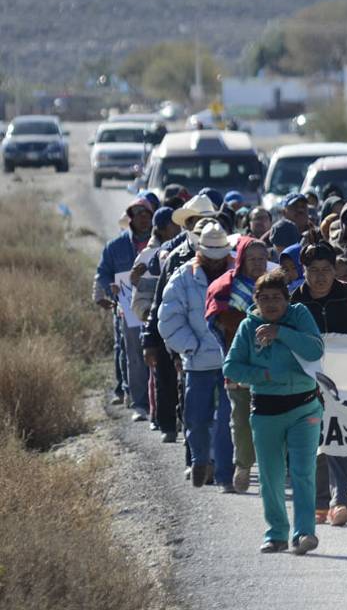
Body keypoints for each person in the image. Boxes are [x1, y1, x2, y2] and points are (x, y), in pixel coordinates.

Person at [223, 269, 324, 555]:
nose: (270, 304)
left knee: (303, 472)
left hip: (305, 407)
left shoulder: (299, 315)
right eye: (263, 298)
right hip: (267, 411)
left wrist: (281, 333)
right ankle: (276, 534)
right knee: (271, 475)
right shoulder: (248, 326)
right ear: (255, 300)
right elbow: (231, 367)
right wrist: (264, 375)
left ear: (286, 299)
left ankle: (304, 533)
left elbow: (315, 350)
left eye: (276, 298)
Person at [292, 242, 347, 523]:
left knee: (338, 436)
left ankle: (339, 500)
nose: (320, 277)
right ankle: (319, 504)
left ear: (335, 270)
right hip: (307, 382)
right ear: (303, 271)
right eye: (313, 270)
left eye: (326, 270)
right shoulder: (295, 301)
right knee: (315, 440)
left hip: (346, 381)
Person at [160, 224, 235, 490]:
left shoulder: (238, 274)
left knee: (229, 420)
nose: (216, 260)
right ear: (200, 252)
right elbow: (167, 320)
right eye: (211, 254)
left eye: (220, 254)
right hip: (198, 361)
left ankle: (226, 475)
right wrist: (190, 347)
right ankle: (200, 459)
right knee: (195, 418)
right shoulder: (182, 278)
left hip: (232, 361)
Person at [142, 195, 220, 444]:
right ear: (187, 224)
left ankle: (214, 457)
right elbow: (160, 305)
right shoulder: (174, 257)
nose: (202, 225)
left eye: (206, 220)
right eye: (196, 220)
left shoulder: (227, 254)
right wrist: (149, 340)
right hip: (184, 342)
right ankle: (194, 454)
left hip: (220, 345)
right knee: (188, 396)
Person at [206, 235, 270, 493]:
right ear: (241, 260)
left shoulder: (275, 287)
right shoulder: (226, 288)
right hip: (241, 364)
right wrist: (236, 323)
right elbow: (215, 320)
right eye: (252, 259)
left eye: (262, 258)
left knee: (272, 421)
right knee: (242, 420)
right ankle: (242, 465)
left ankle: (270, 471)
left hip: (273, 367)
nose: (257, 263)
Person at [94, 196, 156, 420]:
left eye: (146, 214)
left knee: (159, 354)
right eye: (137, 214)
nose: (142, 219)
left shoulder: (161, 244)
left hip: (156, 307)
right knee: (134, 355)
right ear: (130, 218)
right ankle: (140, 404)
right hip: (127, 309)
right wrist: (104, 290)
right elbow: (103, 273)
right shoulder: (115, 246)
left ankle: (160, 404)